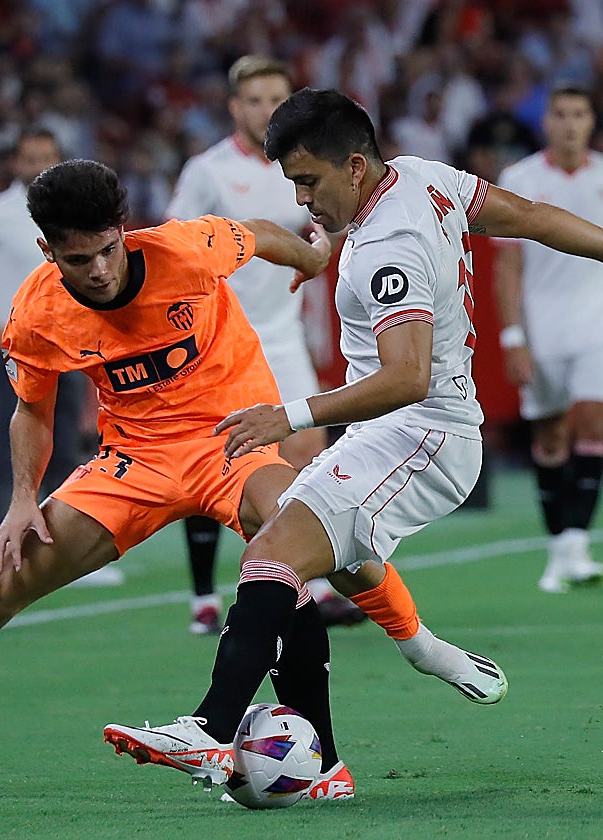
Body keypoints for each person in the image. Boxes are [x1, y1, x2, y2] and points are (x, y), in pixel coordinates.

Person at [0, 160, 503, 798]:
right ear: (49, 252)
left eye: (109, 249)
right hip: (133, 460)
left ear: (124, 232)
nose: (101, 269)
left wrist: (313, 256)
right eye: (80, 259)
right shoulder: (39, 309)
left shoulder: (184, 248)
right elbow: (31, 410)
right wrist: (21, 500)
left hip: (232, 437)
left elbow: (258, 233)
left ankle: (410, 658)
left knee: (306, 539)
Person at [104, 88, 603, 794]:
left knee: (274, 551)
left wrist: (289, 415)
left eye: (308, 181)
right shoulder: (421, 176)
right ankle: (370, 709)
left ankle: (209, 730)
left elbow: (408, 377)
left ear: (354, 166)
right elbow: (530, 217)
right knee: (302, 547)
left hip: (425, 436)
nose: (302, 199)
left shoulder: (392, 246)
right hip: (397, 433)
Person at [165, 54, 361, 633]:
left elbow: (335, 224)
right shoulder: (209, 170)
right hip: (218, 342)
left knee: (309, 449)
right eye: (254, 100)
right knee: (210, 461)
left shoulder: (305, 164)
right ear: (235, 108)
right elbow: (177, 244)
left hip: (282, 332)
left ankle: (310, 585)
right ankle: (203, 595)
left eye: (276, 98)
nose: (266, 110)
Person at [0, 130, 111, 581]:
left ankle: (74, 555)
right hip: (17, 349)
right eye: (31, 156)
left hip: (70, 345)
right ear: (16, 162)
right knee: (5, 451)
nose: (38, 164)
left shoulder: (70, 211)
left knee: (67, 446)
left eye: (47, 156)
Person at [492, 85, 603, 594]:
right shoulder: (519, 179)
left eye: (579, 114)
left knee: (594, 419)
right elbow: (508, 264)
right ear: (546, 123)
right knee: (551, 435)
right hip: (544, 325)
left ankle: (577, 545)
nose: (570, 124)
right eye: (560, 114)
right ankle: (559, 550)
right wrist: (513, 336)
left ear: (592, 121)